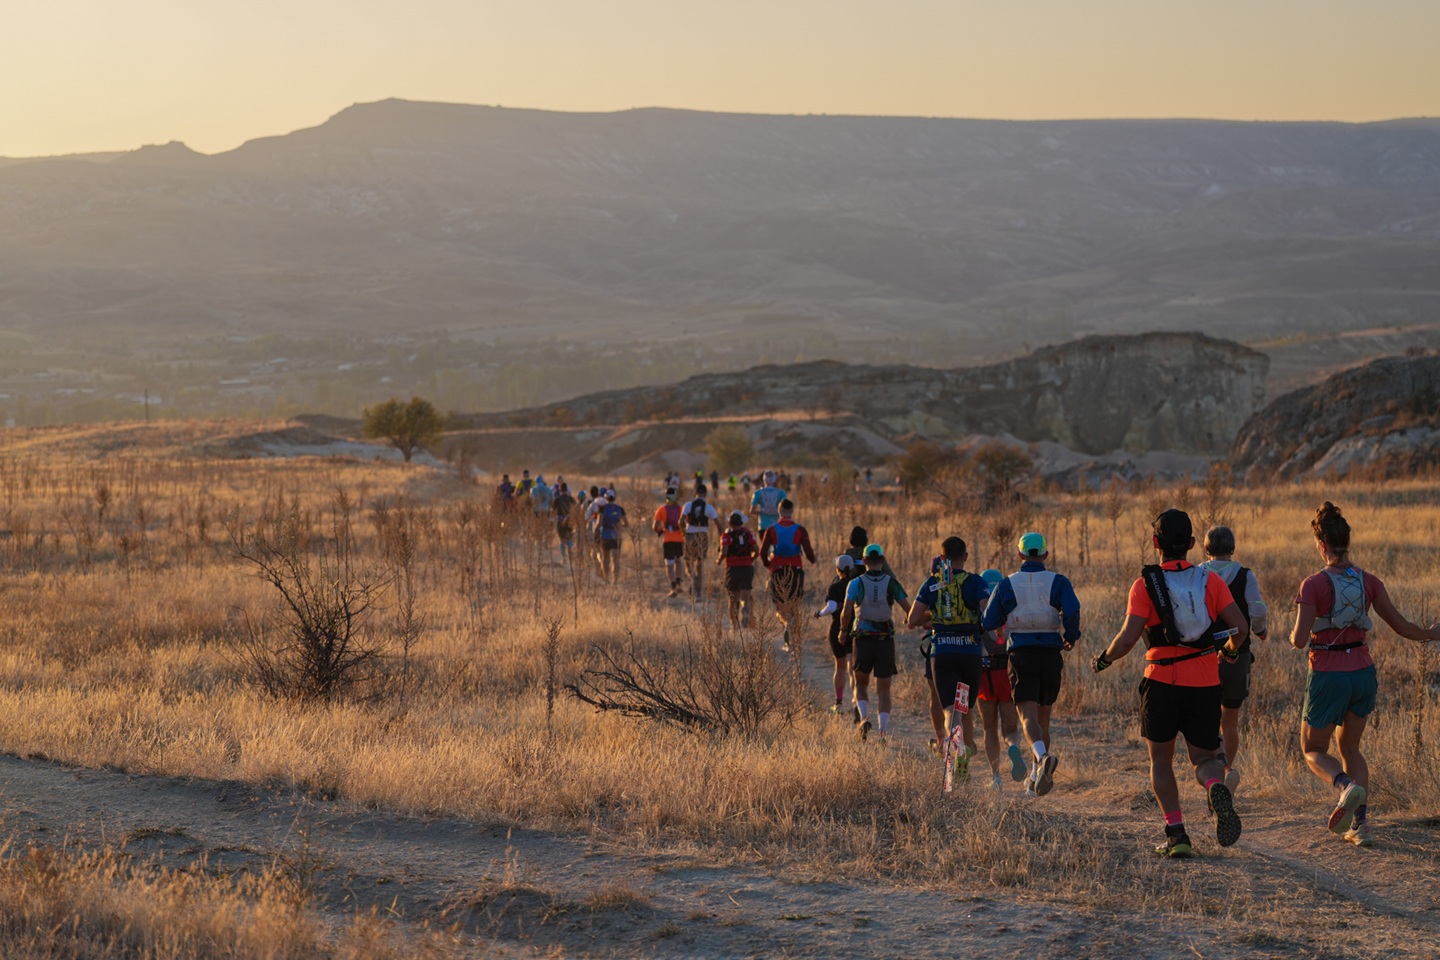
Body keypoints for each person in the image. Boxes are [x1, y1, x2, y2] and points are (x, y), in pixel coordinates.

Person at [1091, 509, 1248, 858]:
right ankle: (1213, 785)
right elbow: (1240, 628)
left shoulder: (1144, 584)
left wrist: (1104, 659)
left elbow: (1129, 638)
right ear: (1192, 544)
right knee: (1205, 757)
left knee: (1160, 760)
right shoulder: (1211, 581)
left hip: (1160, 679)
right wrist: (1230, 653)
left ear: (1154, 543)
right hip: (1205, 681)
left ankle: (1177, 834)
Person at [1289, 501, 1440, 847]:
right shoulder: (1369, 581)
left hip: (1328, 675)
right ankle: (1361, 826)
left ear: (1321, 545)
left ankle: (1345, 787)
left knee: (1312, 749)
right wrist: (1431, 632)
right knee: (1351, 748)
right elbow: (1402, 626)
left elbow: (1299, 641)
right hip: (1363, 674)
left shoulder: (1313, 584)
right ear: (1347, 542)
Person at [981, 532, 1081, 797]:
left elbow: (988, 621)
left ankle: (1043, 757)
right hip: (1051, 652)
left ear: (1020, 555)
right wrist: (1069, 637)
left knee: (1027, 717)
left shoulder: (1007, 583)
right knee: (1043, 721)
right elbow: (1072, 611)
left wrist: (1007, 619)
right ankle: (1035, 779)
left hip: (1022, 653)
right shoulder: (1059, 581)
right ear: (1045, 555)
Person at [907, 538, 989, 783]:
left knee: (950, 711)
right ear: (966, 555)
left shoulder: (934, 583)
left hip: (943, 653)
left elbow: (912, 618)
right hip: (970, 654)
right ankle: (965, 757)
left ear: (941, 559)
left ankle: (954, 755)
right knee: (965, 709)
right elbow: (988, 614)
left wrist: (938, 613)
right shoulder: (975, 582)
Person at [1198, 525, 1269, 792]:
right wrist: (1260, 630)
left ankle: (1213, 774)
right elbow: (1257, 608)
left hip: (1204, 657)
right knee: (1230, 718)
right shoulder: (1245, 575)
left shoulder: (1198, 574)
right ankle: (1227, 769)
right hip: (1237, 655)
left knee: (1207, 717)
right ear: (1233, 549)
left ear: (1206, 549)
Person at [841, 544, 909, 741]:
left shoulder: (855, 583)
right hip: (885, 640)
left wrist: (843, 632)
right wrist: (910, 621)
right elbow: (908, 608)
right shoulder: (892, 583)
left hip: (863, 640)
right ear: (883, 559)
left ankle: (863, 718)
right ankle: (882, 732)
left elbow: (846, 613)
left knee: (860, 685)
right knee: (884, 690)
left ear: (863, 561)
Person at [978, 568, 1029, 789]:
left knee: (989, 728)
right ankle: (1013, 746)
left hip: (985, 675)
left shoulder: (979, 612)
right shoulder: (1012, 610)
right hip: (1008, 673)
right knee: (1010, 728)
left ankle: (996, 776)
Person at [759, 499, 816, 650]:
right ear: (792, 511)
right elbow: (809, 552)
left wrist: (767, 564)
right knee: (794, 604)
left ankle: (786, 626)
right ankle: (794, 641)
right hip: (796, 569)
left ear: (779, 511)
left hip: (777, 570)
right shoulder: (800, 529)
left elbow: (762, 552)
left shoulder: (771, 530)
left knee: (780, 605)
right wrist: (812, 559)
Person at [815, 555, 857, 714]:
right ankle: (856, 702)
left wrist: (819, 613)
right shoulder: (857, 584)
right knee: (852, 666)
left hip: (837, 628)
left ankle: (838, 703)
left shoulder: (834, 587)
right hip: (855, 626)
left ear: (837, 570)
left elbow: (831, 608)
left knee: (839, 666)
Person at [716, 511, 759, 629]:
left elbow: (724, 552)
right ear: (741, 523)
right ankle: (745, 612)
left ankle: (735, 627)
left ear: (729, 523)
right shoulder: (748, 533)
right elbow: (757, 550)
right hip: (747, 568)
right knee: (745, 597)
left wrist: (719, 560)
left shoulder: (726, 536)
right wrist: (751, 559)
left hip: (732, 568)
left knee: (733, 600)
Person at [680, 484, 721, 601]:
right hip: (702, 535)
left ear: (695, 493)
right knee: (699, 563)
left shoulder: (688, 505)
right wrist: (721, 538)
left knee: (688, 561)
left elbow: (680, 521)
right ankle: (698, 592)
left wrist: (684, 532)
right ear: (706, 494)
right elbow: (718, 524)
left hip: (689, 534)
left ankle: (692, 579)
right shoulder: (709, 507)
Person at [652, 488, 687, 597]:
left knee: (669, 565)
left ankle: (673, 587)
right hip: (679, 539)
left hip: (667, 540)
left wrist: (661, 531)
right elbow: (685, 523)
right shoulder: (681, 509)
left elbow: (654, 526)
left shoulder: (661, 510)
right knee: (678, 561)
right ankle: (679, 584)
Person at [593, 490, 627, 580]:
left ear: (606, 498)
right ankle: (615, 581)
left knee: (605, 559)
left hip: (605, 535)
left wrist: (595, 531)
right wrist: (619, 526)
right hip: (616, 536)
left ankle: (607, 579)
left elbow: (599, 523)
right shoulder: (620, 509)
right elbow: (626, 523)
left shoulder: (602, 509)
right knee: (615, 560)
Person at [551, 482, 577, 561]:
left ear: (559, 490)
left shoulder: (557, 500)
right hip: (570, 521)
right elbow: (575, 510)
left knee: (562, 540)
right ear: (567, 489)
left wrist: (552, 520)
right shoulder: (571, 499)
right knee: (570, 538)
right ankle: (571, 555)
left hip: (560, 521)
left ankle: (564, 557)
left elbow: (553, 511)